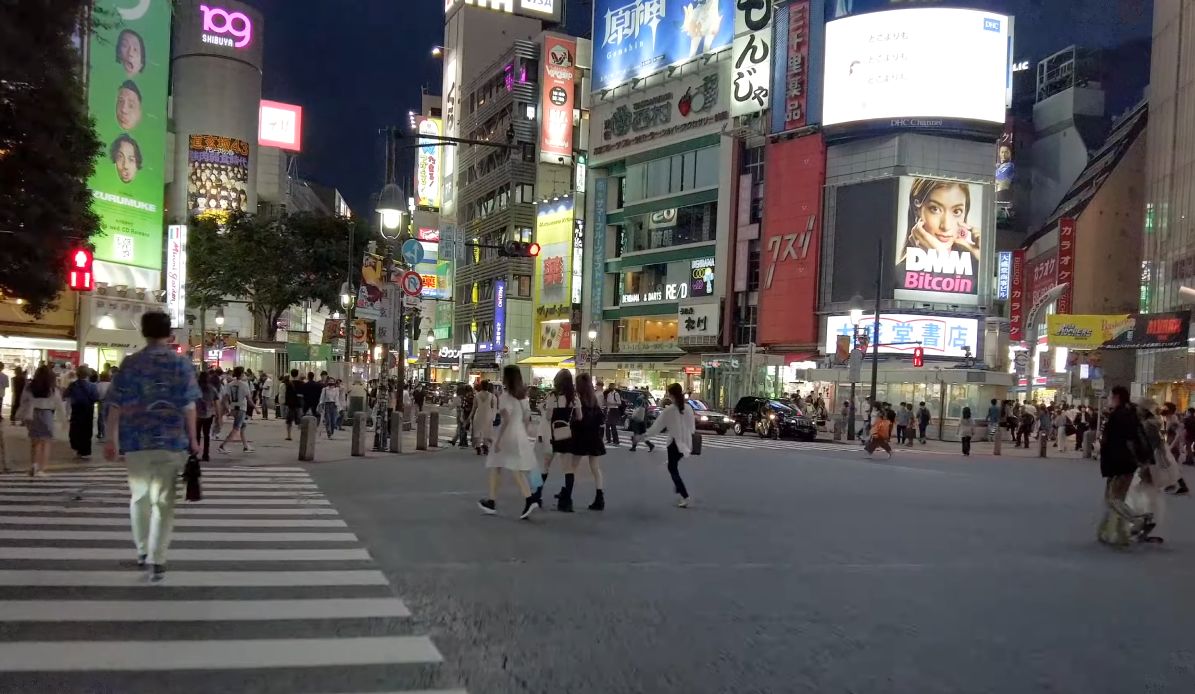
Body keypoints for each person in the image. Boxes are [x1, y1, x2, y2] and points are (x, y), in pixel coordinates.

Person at [105, 312, 200, 582]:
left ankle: (143, 550)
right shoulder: (181, 364)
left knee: (139, 497)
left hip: (136, 442)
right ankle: (157, 559)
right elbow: (189, 405)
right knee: (164, 503)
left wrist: (111, 438)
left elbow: (114, 404)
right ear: (169, 333)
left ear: (144, 332)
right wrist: (194, 440)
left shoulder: (131, 363)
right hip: (171, 442)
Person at [477, 366, 539, 520]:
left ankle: (494, 501)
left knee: (496, 465)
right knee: (514, 468)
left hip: (508, 434)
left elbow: (506, 420)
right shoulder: (523, 398)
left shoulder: (505, 397)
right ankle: (528, 499)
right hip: (520, 433)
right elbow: (526, 420)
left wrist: (498, 440)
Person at [1098, 386, 1151, 547]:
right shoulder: (1131, 414)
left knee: (1113, 499)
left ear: (1117, 397)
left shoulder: (1120, 415)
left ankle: (1137, 520)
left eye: (1110, 396)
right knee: (1118, 499)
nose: (1109, 399)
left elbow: (1123, 440)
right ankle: (1119, 534)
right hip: (1127, 462)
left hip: (1120, 462)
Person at [636, 383, 696, 508]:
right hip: (687, 442)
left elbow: (656, 427)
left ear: (671, 395)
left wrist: (643, 436)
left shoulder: (669, 410)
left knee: (672, 468)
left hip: (675, 442)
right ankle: (679, 487)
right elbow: (692, 428)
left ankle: (685, 495)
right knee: (673, 466)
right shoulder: (688, 408)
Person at [17, 365, 64, 476]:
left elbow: (23, 400)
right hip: (47, 414)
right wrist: (63, 419)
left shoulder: (30, 387)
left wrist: (22, 413)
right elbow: (59, 404)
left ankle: (34, 464)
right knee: (46, 442)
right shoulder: (52, 389)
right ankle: (42, 469)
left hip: (32, 414)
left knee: (35, 442)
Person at [542, 369, 579, 509]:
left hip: (553, 434)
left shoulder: (553, 396)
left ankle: (536, 495)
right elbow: (579, 416)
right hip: (566, 434)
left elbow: (548, 416)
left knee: (545, 465)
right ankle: (567, 501)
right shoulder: (574, 397)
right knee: (568, 468)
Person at [574, 374, 608, 511]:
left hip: (581, 437)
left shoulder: (578, 400)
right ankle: (599, 497)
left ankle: (566, 493)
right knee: (595, 468)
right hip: (594, 437)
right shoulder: (594, 400)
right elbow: (601, 419)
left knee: (571, 467)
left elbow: (577, 420)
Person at [64, 366, 99, 459]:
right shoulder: (92, 386)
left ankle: (76, 446)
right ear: (88, 374)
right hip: (88, 409)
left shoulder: (73, 385)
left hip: (76, 409)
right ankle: (85, 450)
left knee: (75, 428)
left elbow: (65, 394)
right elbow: (96, 397)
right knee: (87, 429)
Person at [217, 366, 253, 454]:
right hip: (241, 408)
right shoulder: (244, 384)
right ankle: (223, 446)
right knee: (236, 428)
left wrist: (227, 407)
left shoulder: (230, 384)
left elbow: (225, 398)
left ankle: (246, 446)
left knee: (243, 426)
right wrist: (255, 408)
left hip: (233, 407)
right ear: (241, 374)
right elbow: (248, 398)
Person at [195, 370, 218, 462]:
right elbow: (216, 402)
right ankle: (206, 454)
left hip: (197, 415)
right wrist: (218, 415)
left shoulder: (195, 389)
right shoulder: (212, 389)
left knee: (196, 435)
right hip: (209, 415)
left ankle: (195, 454)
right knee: (206, 435)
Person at [471, 380, 497, 456]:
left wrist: (470, 417)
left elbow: (474, 408)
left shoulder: (477, 395)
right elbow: (494, 407)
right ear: (487, 386)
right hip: (488, 415)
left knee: (478, 431)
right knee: (487, 432)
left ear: (481, 386)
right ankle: (485, 447)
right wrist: (493, 417)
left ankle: (478, 447)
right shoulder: (492, 396)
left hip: (478, 415)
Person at [284, 369, 303, 440]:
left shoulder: (289, 383)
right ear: (297, 374)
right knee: (300, 420)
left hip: (290, 404)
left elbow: (287, 395)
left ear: (291, 375)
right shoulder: (301, 383)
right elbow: (303, 394)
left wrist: (286, 404)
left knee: (289, 420)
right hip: (298, 404)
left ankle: (289, 435)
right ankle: (302, 436)